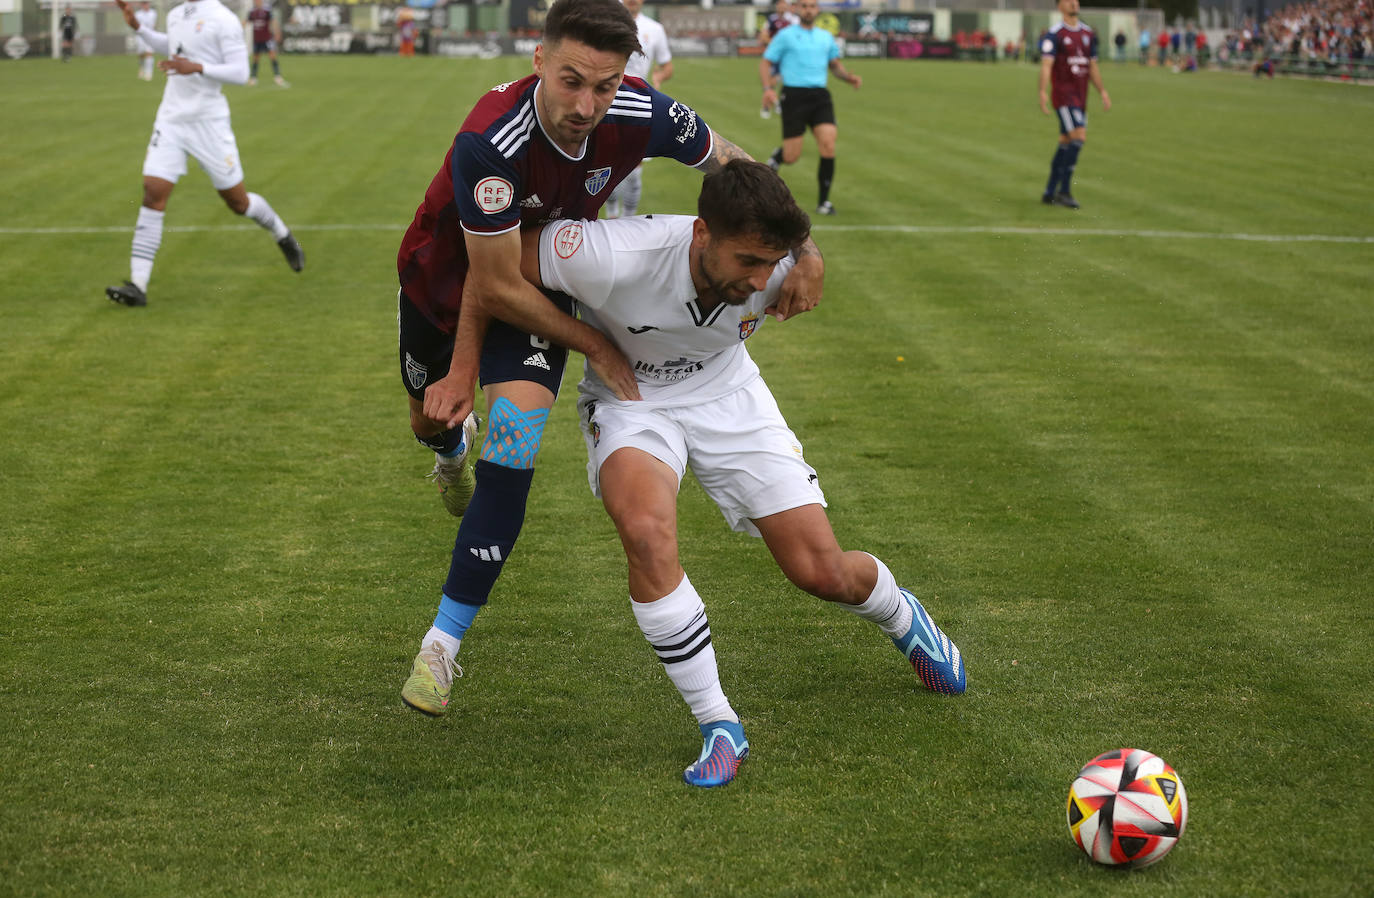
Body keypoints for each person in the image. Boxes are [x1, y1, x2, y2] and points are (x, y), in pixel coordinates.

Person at [395, 0, 825, 717]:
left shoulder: (640, 108)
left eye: (604, 86)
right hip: (444, 287)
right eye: (570, 81)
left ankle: (441, 646)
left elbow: (734, 162)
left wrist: (804, 247)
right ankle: (446, 452)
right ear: (539, 62)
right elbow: (489, 281)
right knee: (429, 419)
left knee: (516, 447)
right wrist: (587, 344)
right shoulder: (490, 144)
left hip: (538, 293)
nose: (586, 104)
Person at [514, 160, 966, 787]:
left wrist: (809, 254)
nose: (763, 280)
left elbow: (785, 246)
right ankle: (718, 723)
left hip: (731, 397)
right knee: (645, 531)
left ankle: (902, 618)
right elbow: (496, 261)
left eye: (773, 262)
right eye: (749, 262)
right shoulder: (613, 252)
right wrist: (589, 342)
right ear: (701, 234)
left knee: (820, 571)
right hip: (631, 402)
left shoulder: (781, 263)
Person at [105, 0, 304, 308]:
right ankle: (138, 285)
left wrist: (197, 67)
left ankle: (281, 233)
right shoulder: (175, 14)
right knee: (153, 191)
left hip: (209, 123)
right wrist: (139, 28)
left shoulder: (222, 19)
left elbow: (240, 72)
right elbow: (171, 45)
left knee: (238, 202)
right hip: (171, 119)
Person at [760, 0, 862, 216]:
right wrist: (768, 88)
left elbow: (834, 65)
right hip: (794, 96)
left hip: (820, 97)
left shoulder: (825, 37)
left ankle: (823, 202)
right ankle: (778, 157)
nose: (808, 9)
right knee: (792, 157)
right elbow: (765, 62)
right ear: (797, 9)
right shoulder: (785, 35)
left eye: (812, 6)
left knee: (828, 146)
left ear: (817, 10)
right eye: (804, 5)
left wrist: (849, 78)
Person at [603, 0, 673, 219]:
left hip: (638, 104)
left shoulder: (654, 29)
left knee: (634, 171)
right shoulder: (606, 22)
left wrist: (658, 77)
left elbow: (667, 65)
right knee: (606, 165)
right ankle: (612, 213)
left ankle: (629, 218)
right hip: (607, 101)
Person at [1037, 0, 1111, 210]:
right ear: (1059, 6)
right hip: (1063, 95)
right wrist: (1042, 91)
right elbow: (1046, 66)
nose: (1073, 3)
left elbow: (1093, 67)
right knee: (1079, 136)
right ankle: (1064, 191)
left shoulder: (1088, 34)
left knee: (1065, 140)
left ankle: (1050, 192)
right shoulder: (1055, 34)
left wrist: (1102, 91)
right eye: (1068, 1)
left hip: (1081, 96)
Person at [760, 0, 798, 117]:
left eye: (784, 6)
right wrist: (775, 45)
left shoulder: (792, 20)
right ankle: (767, 106)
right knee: (771, 83)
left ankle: (778, 104)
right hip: (775, 57)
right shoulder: (771, 20)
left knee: (785, 82)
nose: (781, 8)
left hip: (788, 57)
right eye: (779, 6)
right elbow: (763, 36)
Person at [245, 0, 287, 87]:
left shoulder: (267, 11)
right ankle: (253, 78)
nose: (257, 2)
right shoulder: (252, 12)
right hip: (257, 39)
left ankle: (277, 77)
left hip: (267, 39)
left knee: (272, 56)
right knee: (255, 58)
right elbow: (246, 22)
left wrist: (277, 33)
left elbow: (273, 22)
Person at [133, 2, 158, 81]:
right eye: (144, 3)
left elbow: (154, 25)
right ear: (141, 5)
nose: (146, 5)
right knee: (141, 54)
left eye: (147, 3)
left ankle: (148, 74)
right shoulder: (138, 14)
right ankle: (141, 68)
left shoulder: (153, 13)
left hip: (150, 36)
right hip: (140, 37)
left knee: (149, 53)